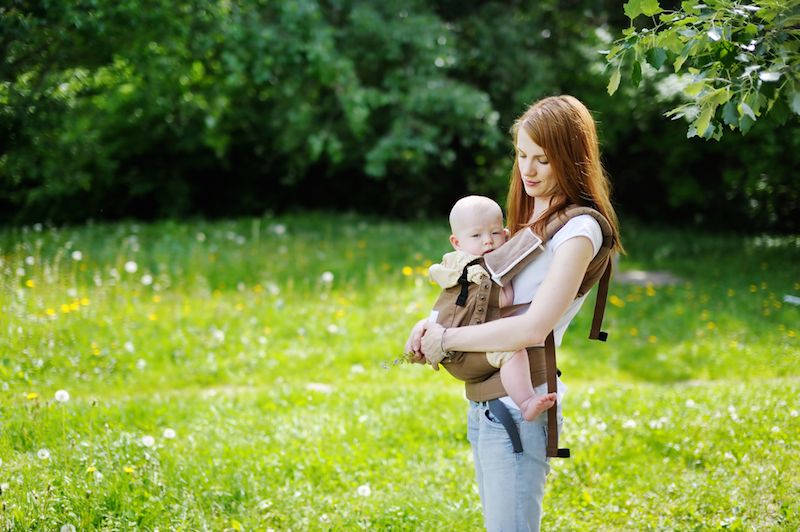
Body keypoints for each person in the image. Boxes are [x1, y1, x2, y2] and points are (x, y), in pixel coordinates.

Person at [405, 95, 623, 531]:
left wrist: (445, 342)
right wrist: (431, 324)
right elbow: (479, 296)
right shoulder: (530, 219)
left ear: (571, 158)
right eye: (522, 155)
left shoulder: (578, 229)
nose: (528, 170)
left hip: (519, 405)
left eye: (543, 158)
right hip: (487, 402)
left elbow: (534, 326)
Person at [428, 195, 556, 421]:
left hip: (464, 345)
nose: (488, 241)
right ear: (457, 243)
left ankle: (525, 401)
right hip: (461, 350)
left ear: (506, 235)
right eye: (476, 235)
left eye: (496, 233)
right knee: (511, 350)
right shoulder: (469, 269)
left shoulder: (466, 265)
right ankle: (526, 402)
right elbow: (501, 300)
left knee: (509, 350)